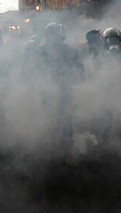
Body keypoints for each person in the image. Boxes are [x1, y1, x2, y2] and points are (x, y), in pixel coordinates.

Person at [38, 23, 85, 164]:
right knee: (48, 121)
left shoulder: (70, 51)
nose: (53, 38)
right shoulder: (40, 52)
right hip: (47, 91)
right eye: (51, 35)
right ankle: (50, 151)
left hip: (64, 91)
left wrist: (70, 77)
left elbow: (81, 73)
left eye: (55, 35)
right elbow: (30, 71)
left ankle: (65, 152)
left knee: (64, 122)